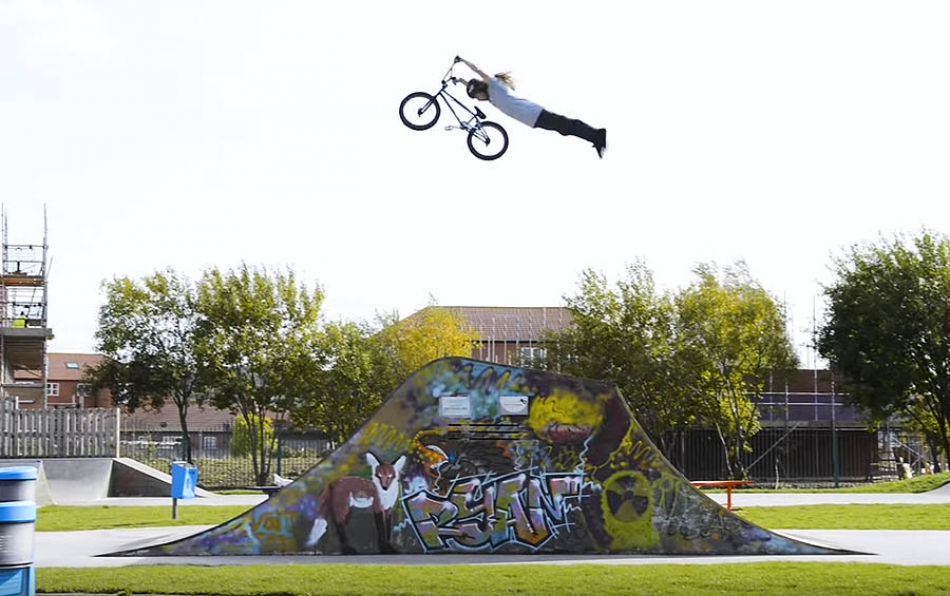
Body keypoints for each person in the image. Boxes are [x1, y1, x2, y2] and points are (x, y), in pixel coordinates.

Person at [456, 56, 607, 158]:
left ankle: (597, 135)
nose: (478, 99)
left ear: (481, 89)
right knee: (564, 128)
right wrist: (458, 80)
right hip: (531, 119)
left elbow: (477, 70)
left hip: (533, 113)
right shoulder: (492, 99)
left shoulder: (494, 86)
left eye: (477, 96)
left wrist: (462, 60)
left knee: (566, 125)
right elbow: (471, 85)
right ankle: (594, 137)